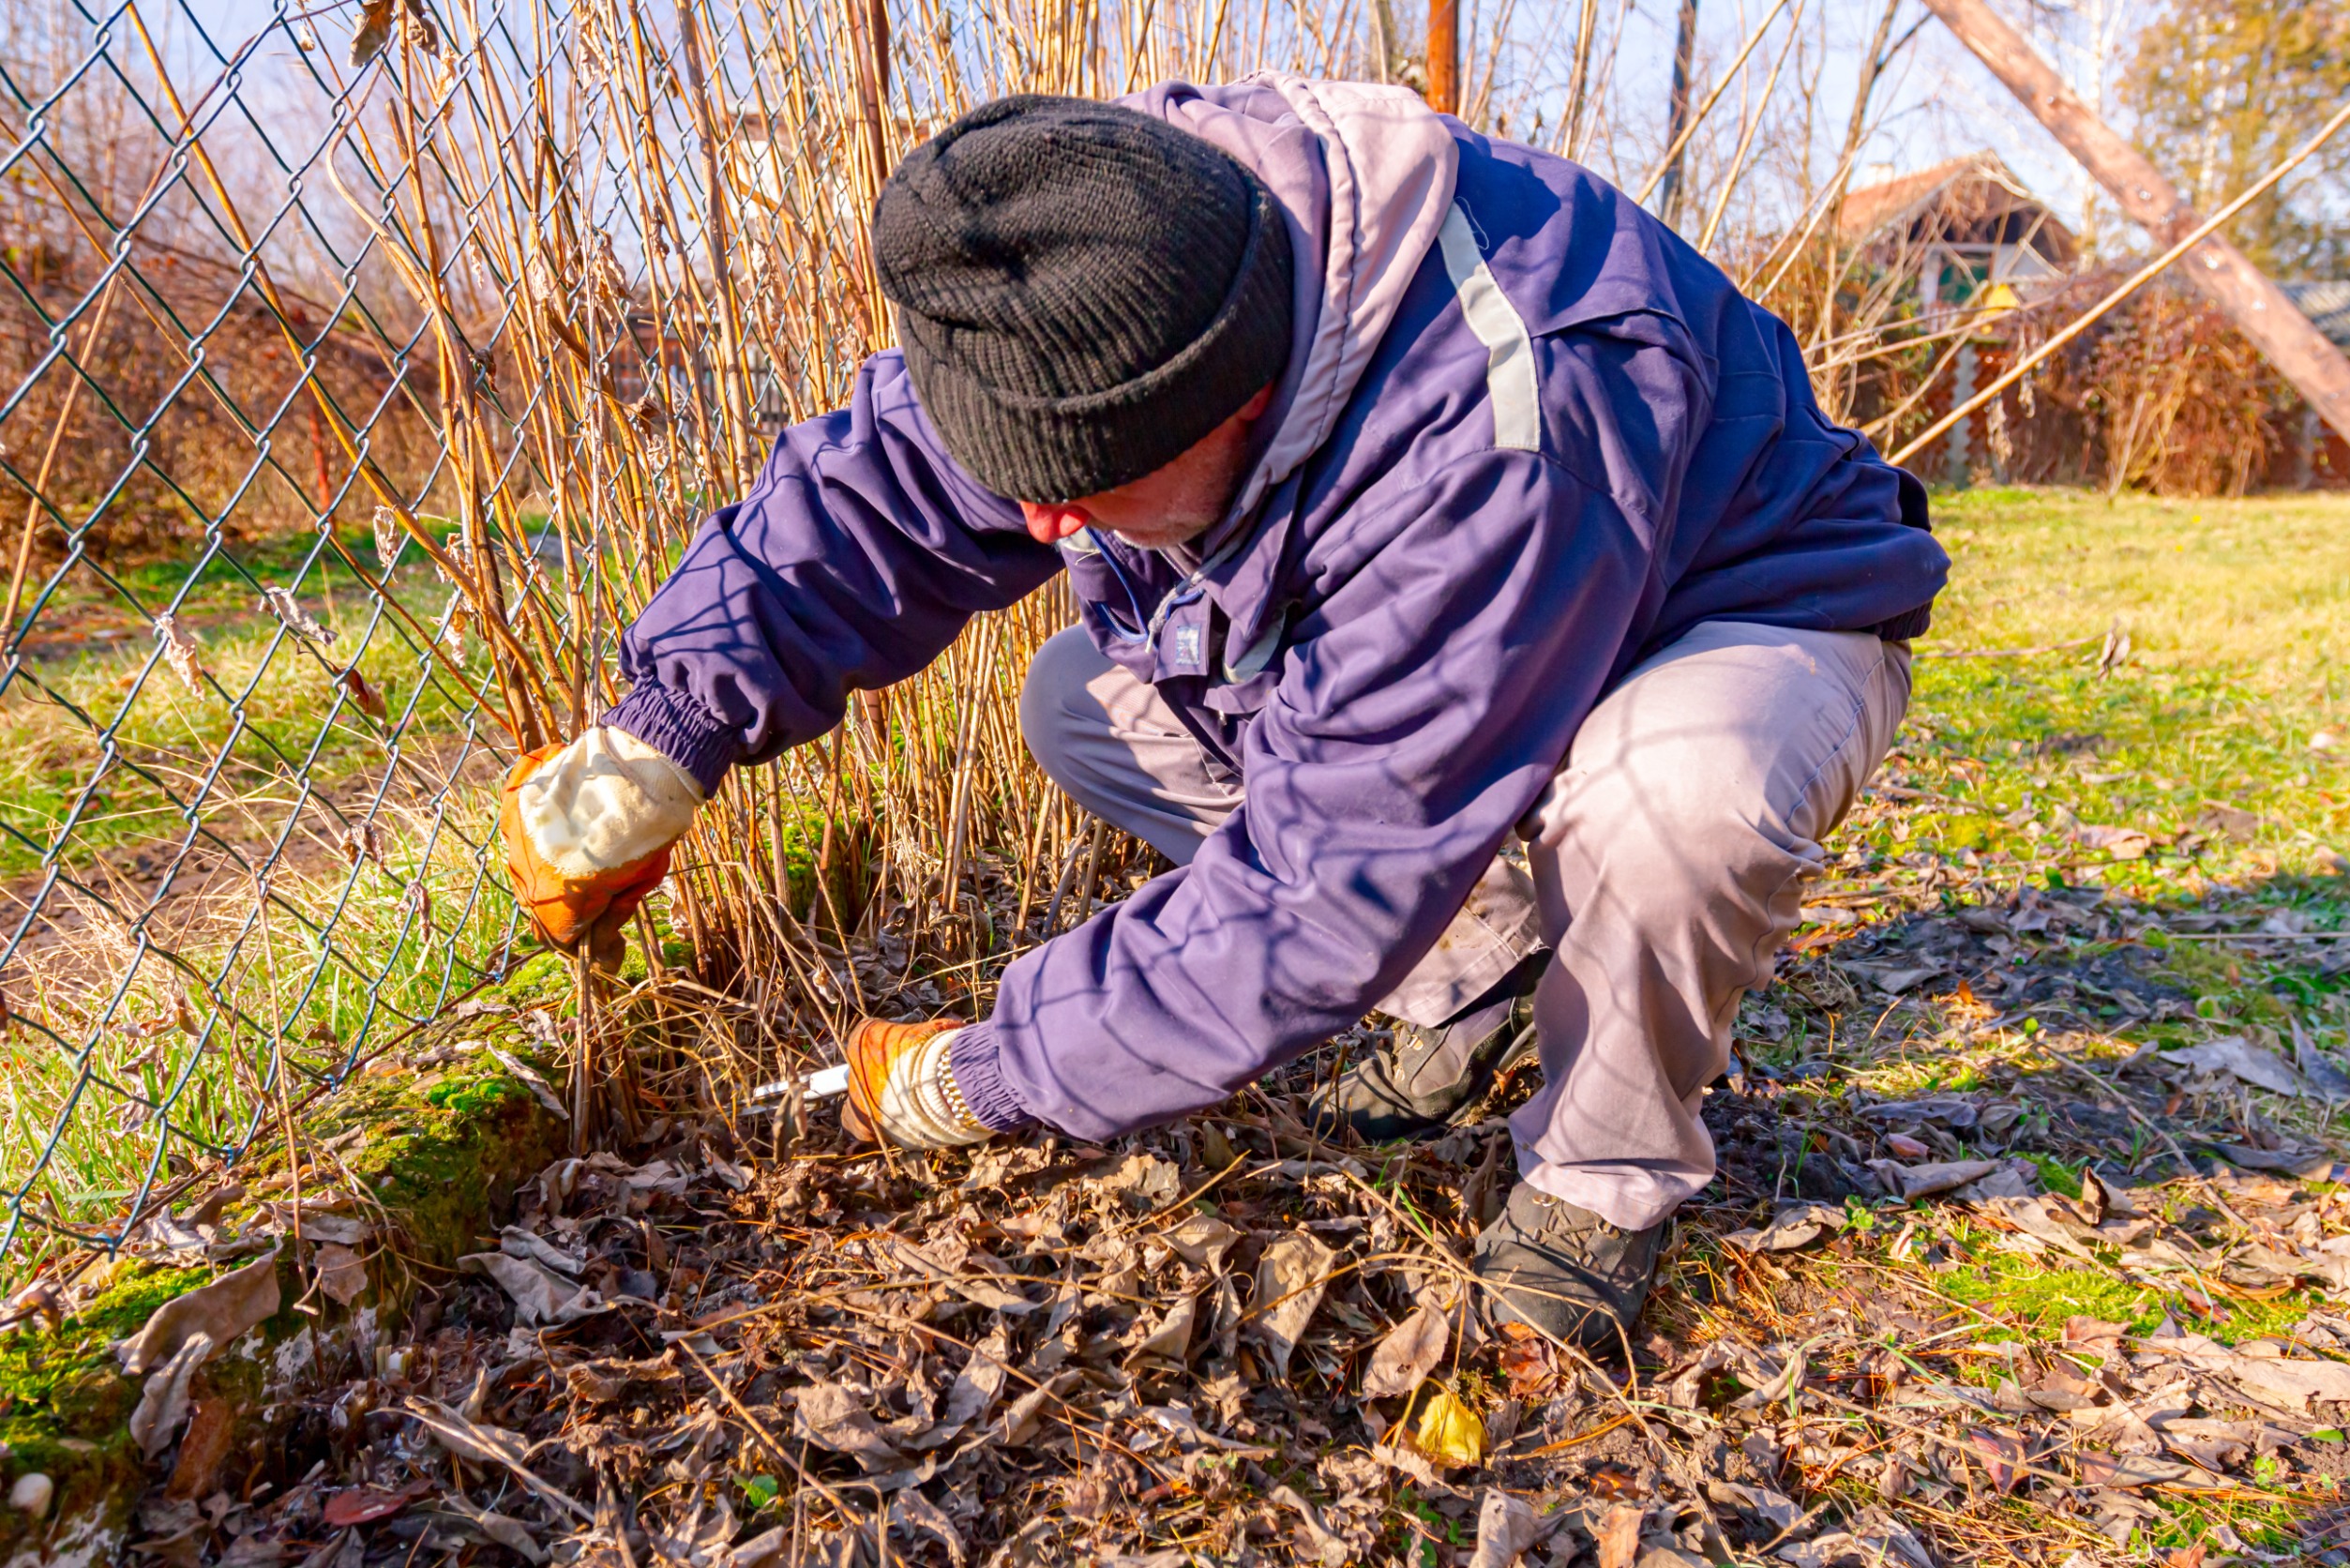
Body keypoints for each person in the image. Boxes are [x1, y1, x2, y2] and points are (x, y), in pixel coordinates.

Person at [497, 78, 1946, 1349]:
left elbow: (1320, 885)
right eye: (1028, 480)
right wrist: (661, 733)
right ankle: (1484, 968)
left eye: (1087, 481)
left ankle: (1600, 1174)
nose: (1045, 520)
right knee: (1082, 702)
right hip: (1490, 617)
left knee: (1667, 800)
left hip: (1735, 610)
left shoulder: (1502, 418)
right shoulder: (1102, 262)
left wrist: (1004, 1068)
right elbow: (875, 496)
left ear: (1237, 402)